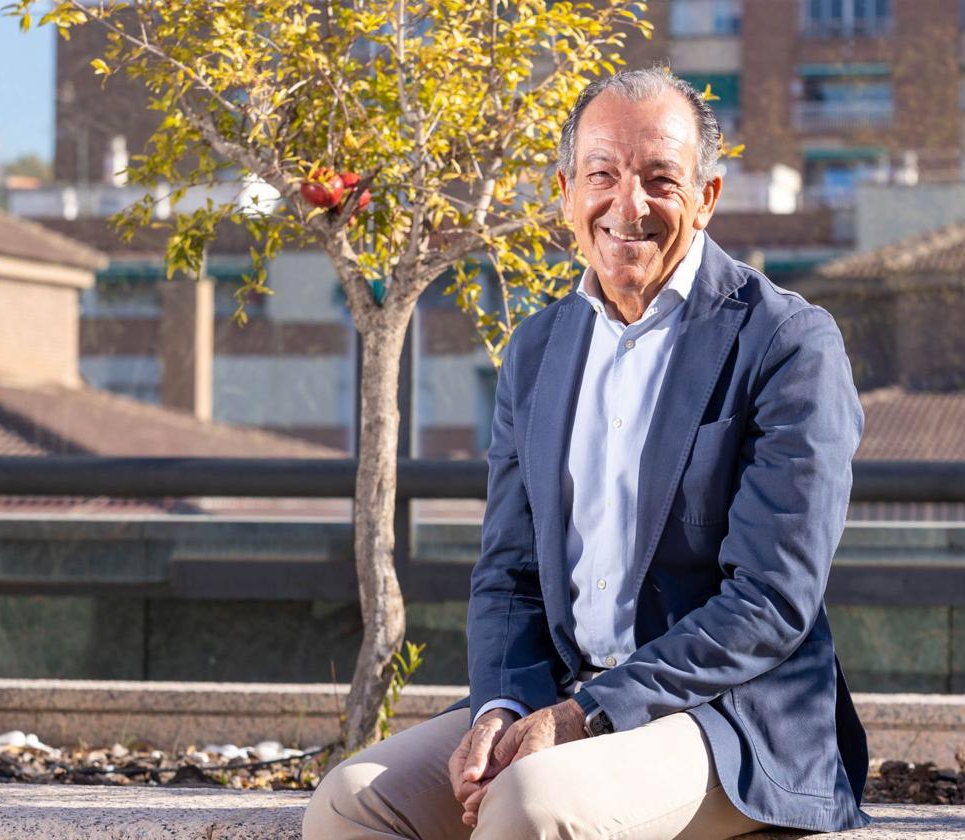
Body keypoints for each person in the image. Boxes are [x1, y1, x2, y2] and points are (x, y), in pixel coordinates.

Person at [303, 67, 870, 840]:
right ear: (567, 191)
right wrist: (503, 705)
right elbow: (509, 575)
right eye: (602, 175)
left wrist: (589, 715)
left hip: (732, 720)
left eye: (660, 179)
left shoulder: (787, 344)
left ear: (707, 197)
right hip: (559, 696)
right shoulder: (537, 349)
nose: (626, 205)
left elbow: (772, 600)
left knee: (536, 805)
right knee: (351, 800)